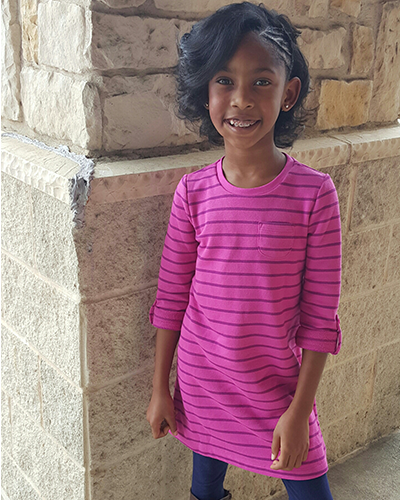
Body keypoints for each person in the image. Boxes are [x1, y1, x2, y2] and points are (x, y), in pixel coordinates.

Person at [146, 3, 342, 500]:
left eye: (260, 81)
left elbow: (320, 319)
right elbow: (172, 298)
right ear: (205, 92)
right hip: (202, 379)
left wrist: (300, 413)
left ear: (289, 92)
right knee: (205, 488)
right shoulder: (192, 193)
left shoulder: (314, 196)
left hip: (277, 388)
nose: (240, 100)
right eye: (223, 81)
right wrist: (160, 388)